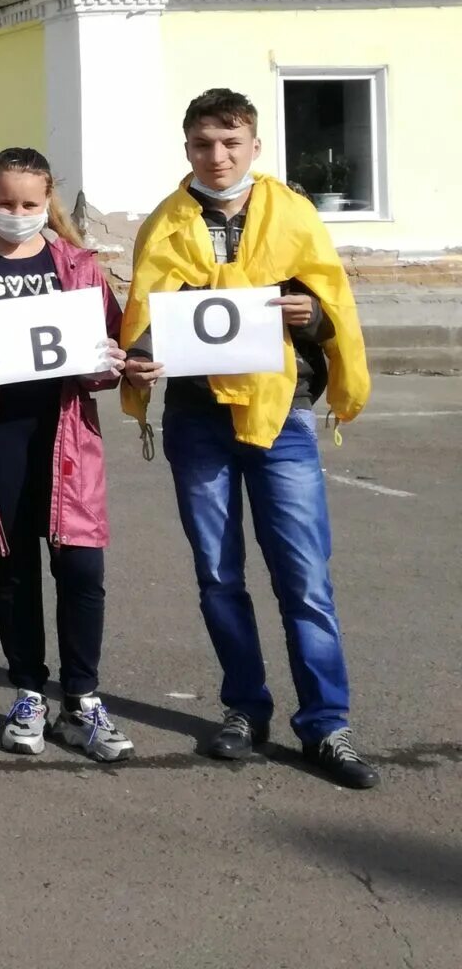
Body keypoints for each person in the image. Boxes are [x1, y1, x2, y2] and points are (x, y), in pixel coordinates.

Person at [120, 88, 376, 789]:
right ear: (188, 149)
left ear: (255, 147)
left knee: (305, 580)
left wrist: (309, 315)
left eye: (232, 143)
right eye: (204, 144)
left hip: (279, 416)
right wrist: (141, 357)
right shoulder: (166, 222)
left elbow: (332, 308)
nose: (218, 155)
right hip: (199, 419)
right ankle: (244, 709)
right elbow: (144, 314)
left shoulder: (292, 214)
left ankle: (328, 726)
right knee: (219, 576)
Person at [0, 147, 132, 761]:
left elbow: (111, 348)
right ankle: (27, 690)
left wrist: (110, 365)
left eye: (29, 203)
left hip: (67, 437)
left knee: (82, 572)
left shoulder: (78, 264)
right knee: (14, 571)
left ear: (48, 200)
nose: (16, 213)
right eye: (3, 202)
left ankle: (83, 700)